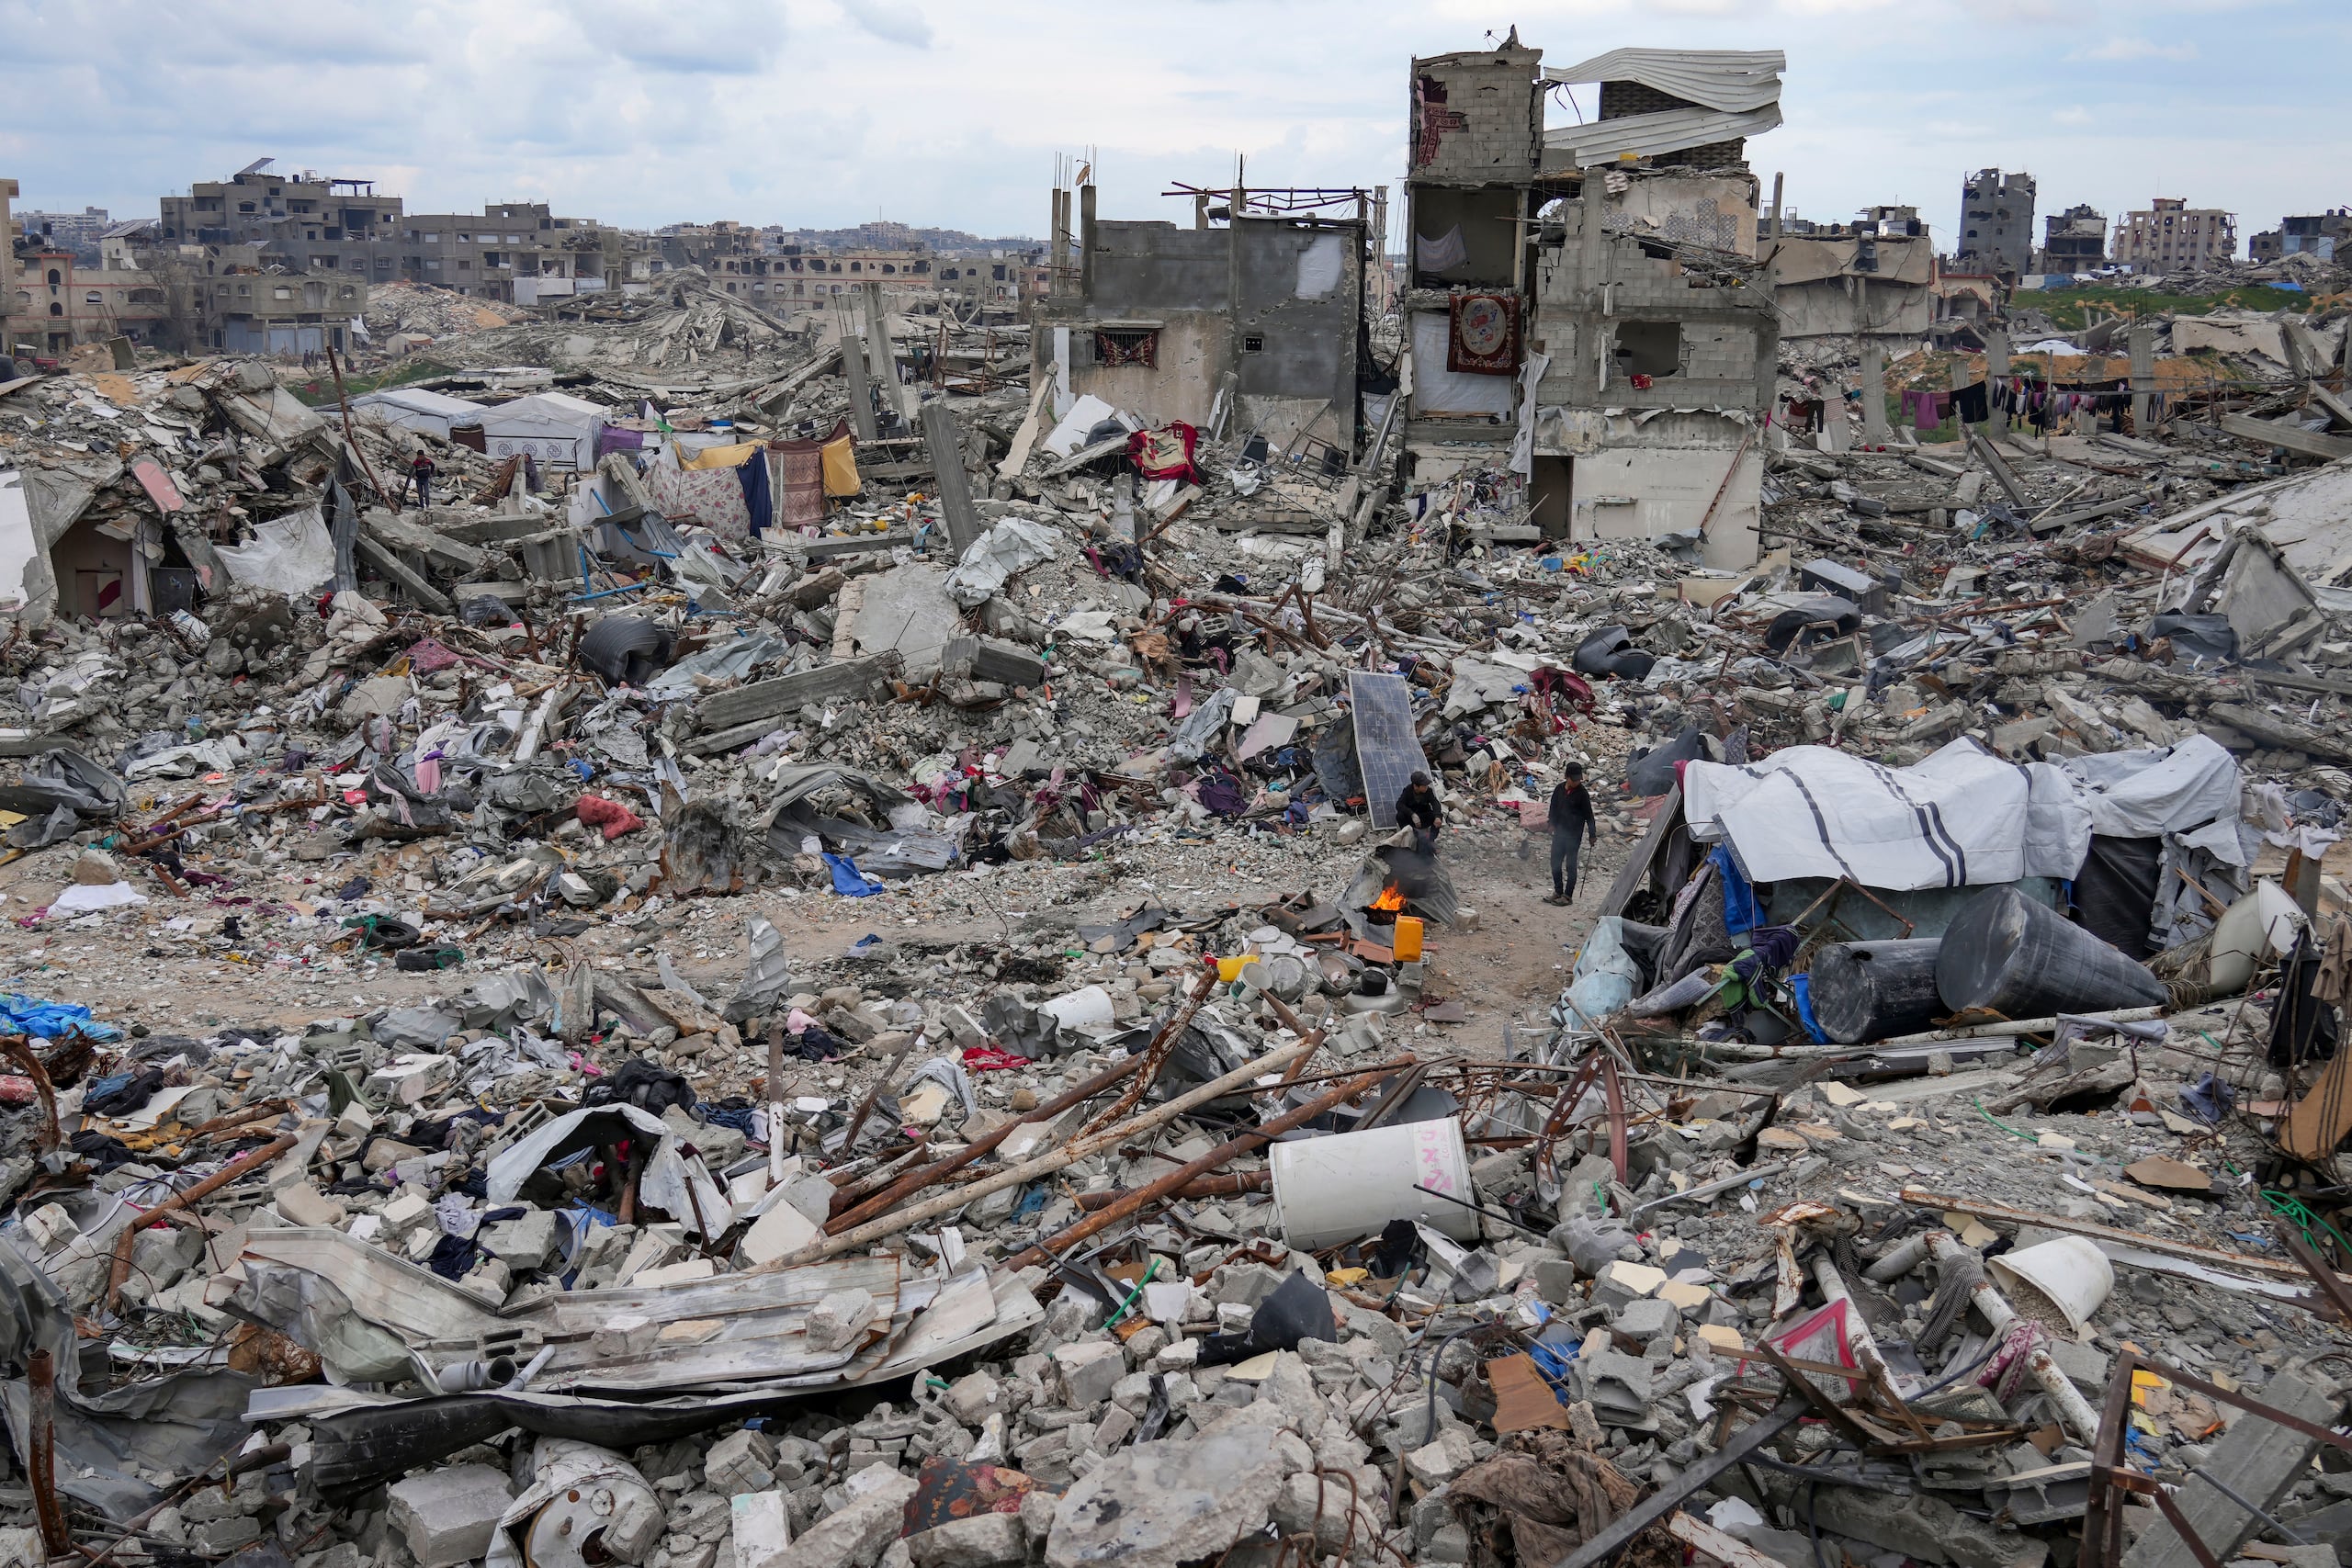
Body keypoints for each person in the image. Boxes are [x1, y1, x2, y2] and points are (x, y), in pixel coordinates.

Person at [1547, 762, 1599, 906]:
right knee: (1555, 863)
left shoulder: (1582, 794)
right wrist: (1551, 823)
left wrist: (1592, 835)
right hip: (1559, 832)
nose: (1576, 782)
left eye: (1578, 780)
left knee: (1570, 865)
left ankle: (1567, 896)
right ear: (1566, 777)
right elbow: (1553, 808)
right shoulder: (1559, 790)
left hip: (1574, 835)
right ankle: (1558, 891)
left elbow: (1589, 816)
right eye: (1574, 779)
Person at [1395, 771, 1442, 856]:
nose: (1426, 787)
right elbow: (1399, 805)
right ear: (1416, 786)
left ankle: (1431, 840)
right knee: (1400, 815)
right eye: (1423, 786)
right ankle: (1410, 836)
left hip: (1423, 817)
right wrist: (1412, 814)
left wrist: (1437, 816)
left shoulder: (1428, 791)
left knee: (1437, 816)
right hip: (1412, 820)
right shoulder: (1408, 791)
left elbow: (1435, 803)